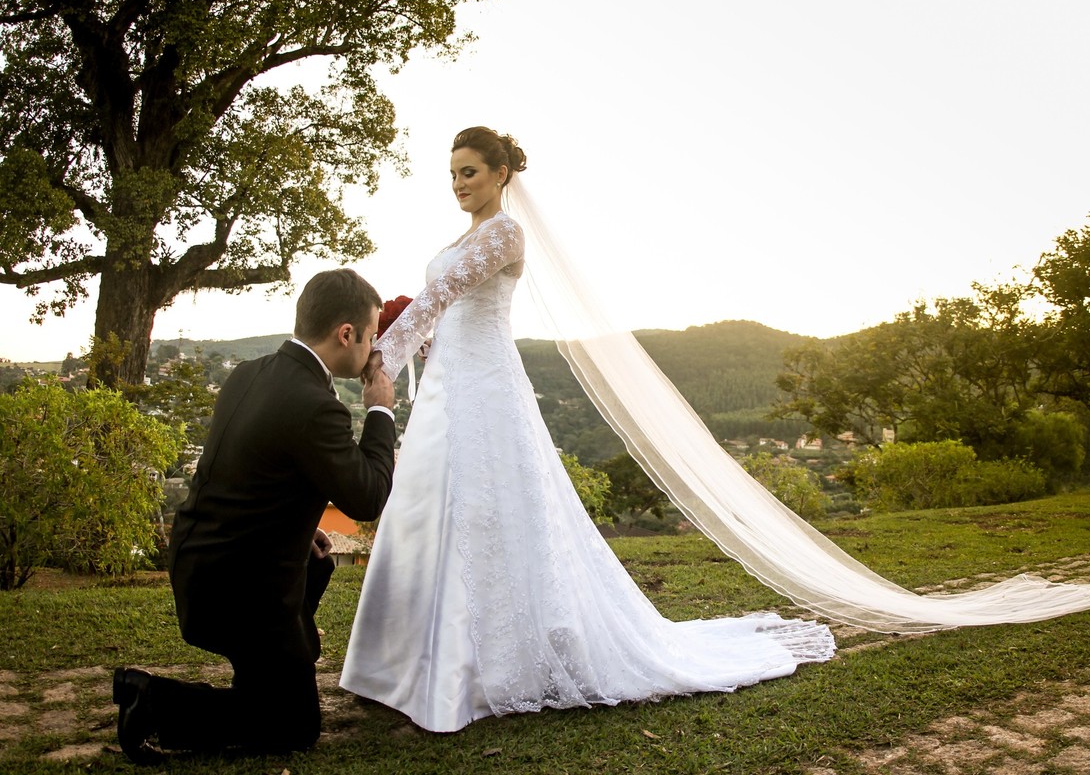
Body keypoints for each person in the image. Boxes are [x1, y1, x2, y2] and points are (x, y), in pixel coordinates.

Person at [339, 127, 837, 734]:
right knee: (427, 512)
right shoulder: (464, 236)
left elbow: (435, 298)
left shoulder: (505, 234)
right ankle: (400, 664)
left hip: (486, 388)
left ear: (501, 175)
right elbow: (434, 311)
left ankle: (475, 667)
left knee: (484, 512)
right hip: (447, 385)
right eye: (452, 175)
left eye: (469, 172)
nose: (459, 185)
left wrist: (374, 357)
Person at [112, 269, 398, 762]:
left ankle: (276, 665)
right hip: (237, 593)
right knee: (293, 727)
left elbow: (254, 476)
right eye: (371, 335)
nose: (373, 347)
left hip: (199, 563)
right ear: (345, 334)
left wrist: (300, 530)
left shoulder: (251, 372)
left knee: (315, 563)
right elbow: (368, 497)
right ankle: (152, 702)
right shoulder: (315, 404)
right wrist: (379, 411)